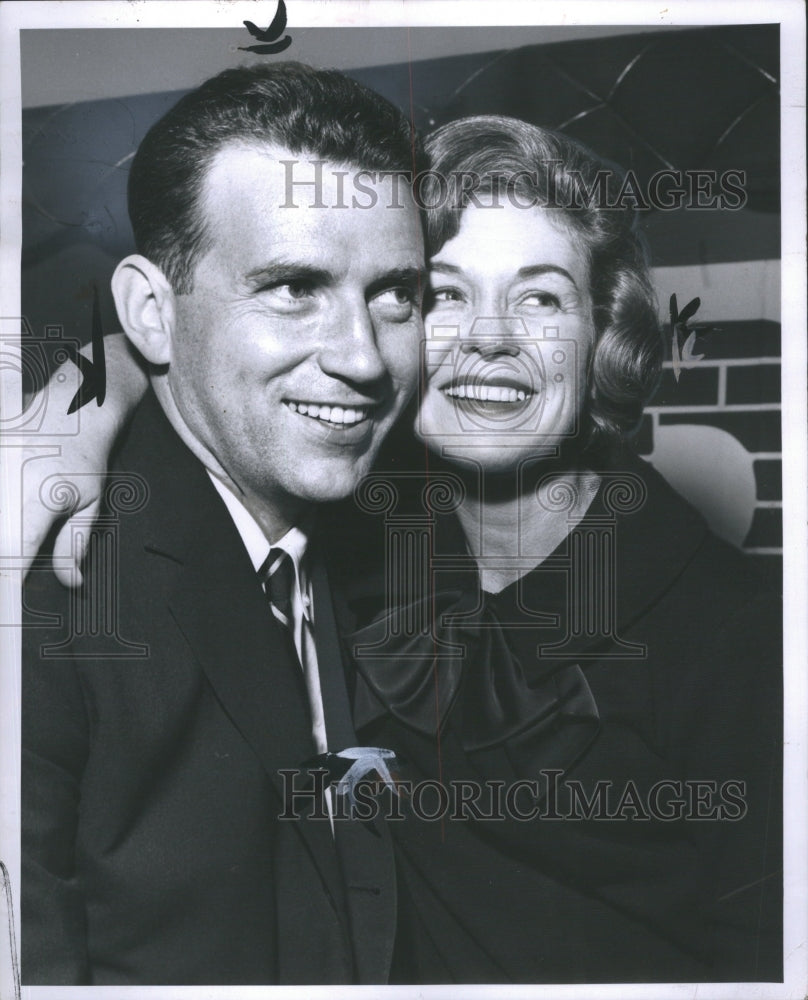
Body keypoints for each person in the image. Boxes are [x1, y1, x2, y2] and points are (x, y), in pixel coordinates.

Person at [23, 114, 781, 985]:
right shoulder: (357, 539)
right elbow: (202, 347)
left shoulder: (731, 633)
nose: (490, 338)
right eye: (445, 295)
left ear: (602, 337)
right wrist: (79, 404)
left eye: (540, 297)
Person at [21, 62, 428, 984]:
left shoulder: (383, 536)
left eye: (396, 293)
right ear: (151, 317)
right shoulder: (51, 590)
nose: (363, 357)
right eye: (292, 286)